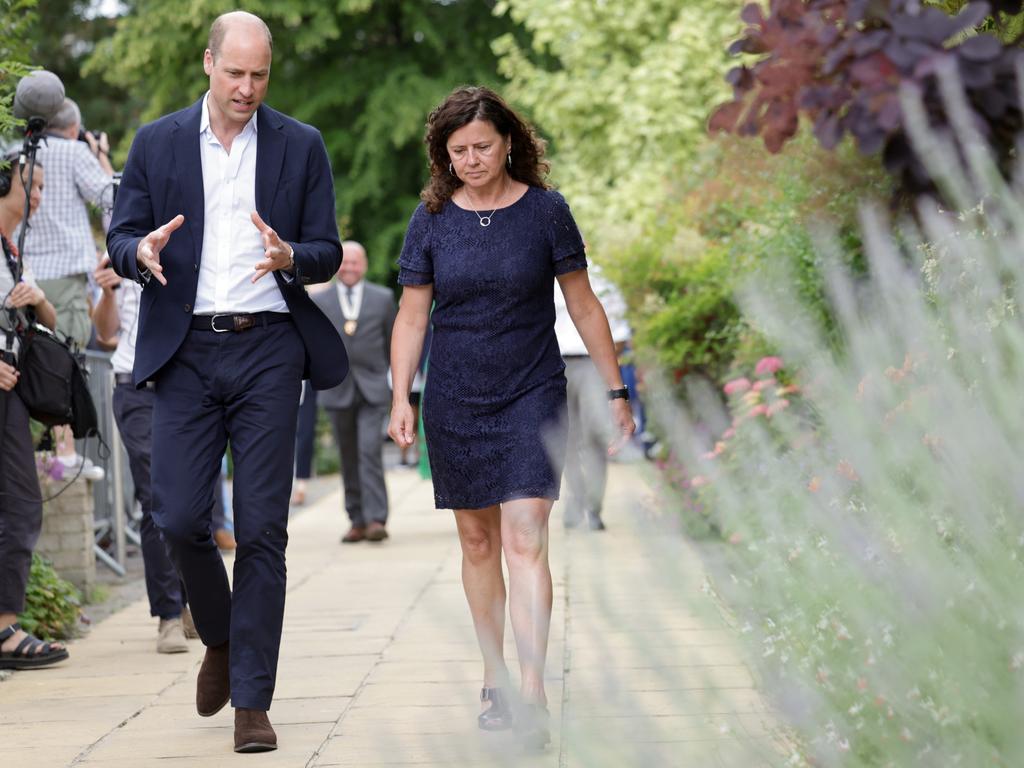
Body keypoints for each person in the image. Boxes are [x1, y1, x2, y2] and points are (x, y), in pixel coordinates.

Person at [106, 11, 347, 754]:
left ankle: (252, 699)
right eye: (234, 72)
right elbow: (121, 237)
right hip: (184, 348)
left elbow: (328, 249)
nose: (246, 88)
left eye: (259, 75)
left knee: (265, 529)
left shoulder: (300, 146)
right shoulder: (157, 142)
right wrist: (137, 249)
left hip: (269, 346)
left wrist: (291, 258)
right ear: (207, 63)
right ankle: (217, 634)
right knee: (179, 517)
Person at [387, 86, 634, 749]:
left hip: (532, 390)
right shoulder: (431, 217)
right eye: (457, 150)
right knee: (477, 544)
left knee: (525, 534)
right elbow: (413, 315)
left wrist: (615, 390)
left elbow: (583, 305)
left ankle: (531, 689)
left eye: (483, 147)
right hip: (457, 396)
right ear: (444, 154)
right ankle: (492, 676)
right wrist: (399, 398)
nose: (470, 159)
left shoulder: (547, 212)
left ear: (509, 142)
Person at [92, 252, 210, 653]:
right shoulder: (121, 252)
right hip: (136, 386)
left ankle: (190, 601)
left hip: (187, 384)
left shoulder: (194, 246)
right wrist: (108, 293)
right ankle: (169, 616)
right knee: (154, 495)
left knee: (190, 500)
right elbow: (106, 334)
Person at [15, 97, 114, 481]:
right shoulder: (74, 153)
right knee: (67, 356)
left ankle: (45, 450)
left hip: (25, 272)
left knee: (31, 361)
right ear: (73, 128)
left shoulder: (16, 152)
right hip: (69, 276)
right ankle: (66, 452)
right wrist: (98, 155)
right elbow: (109, 196)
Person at [0, 154, 68, 670]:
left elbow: (44, 318)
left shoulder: (9, 249)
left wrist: (40, 297)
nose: (40, 196)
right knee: (20, 506)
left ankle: (5, 624)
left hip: (12, 396)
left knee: (21, 506)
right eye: (34, 185)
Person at [313, 240, 396, 543]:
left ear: (365, 265)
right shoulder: (320, 301)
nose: (349, 268)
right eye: (344, 262)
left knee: (369, 451)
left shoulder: (383, 298)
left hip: (373, 390)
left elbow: (392, 343)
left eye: (355, 262)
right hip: (337, 390)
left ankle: (376, 519)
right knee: (347, 456)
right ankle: (357, 519)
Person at [554, 264, 632, 530]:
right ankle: (576, 499)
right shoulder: (540, 270)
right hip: (554, 363)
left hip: (590, 364)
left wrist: (610, 376)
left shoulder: (601, 278)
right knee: (565, 439)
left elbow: (620, 332)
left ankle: (594, 507)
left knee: (596, 439)